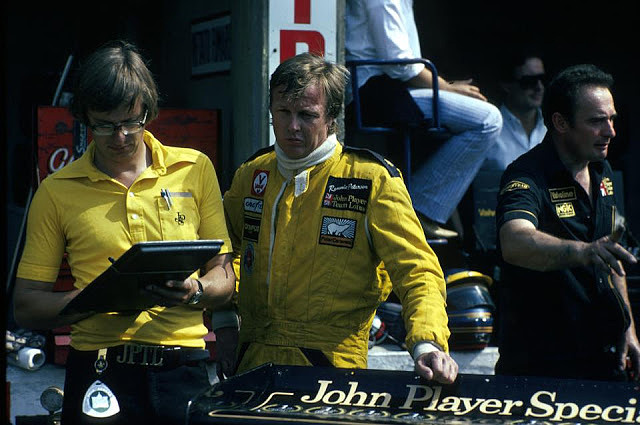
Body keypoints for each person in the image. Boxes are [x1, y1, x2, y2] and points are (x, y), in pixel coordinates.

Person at [12, 40, 236, 424]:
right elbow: (26, 305)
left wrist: (194, 291)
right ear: (84, 117)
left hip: (183, 366)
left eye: (130, 122)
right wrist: (91, 299)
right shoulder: (56, 190)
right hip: (99, 368)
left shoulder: (194, 168)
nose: (119, 137)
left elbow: (226, 277)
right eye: (104, 125)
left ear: (148, 110)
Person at [214, 52, 458, 384]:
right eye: (283, 112)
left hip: (333, 369)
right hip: (253, 361)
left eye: (306, 115)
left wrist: (427, 343)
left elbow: (417, 270)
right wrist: (225, 322)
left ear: (332, 119)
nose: (292, 126)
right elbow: (222, 253)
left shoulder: (370, 179)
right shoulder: (253, 173)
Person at [494, 63, 640, 380]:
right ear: (560, 122)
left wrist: (628, 330)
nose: (610, 131)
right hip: (540, 368)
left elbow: (611, 255)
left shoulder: (605, 173)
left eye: (612, 119)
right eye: (597, 121)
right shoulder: (526, 175)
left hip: (603, 360)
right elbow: (514, 241)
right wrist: (583, 251)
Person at [345, 0, 503, 239]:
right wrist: (448, 88)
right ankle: (416, 208)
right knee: (487, 119)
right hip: (373, 93)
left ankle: (417, 205)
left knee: (480, 114)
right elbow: (400, 64)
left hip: (389, 90)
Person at [481, 49, 547, 172]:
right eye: (529, 81)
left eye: (542, 79)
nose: (539, 87)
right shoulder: (485, 131)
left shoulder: (555, 127)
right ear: (507, 85)